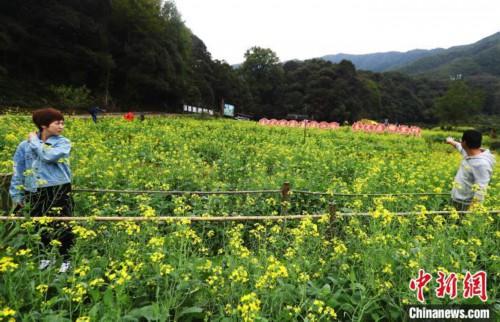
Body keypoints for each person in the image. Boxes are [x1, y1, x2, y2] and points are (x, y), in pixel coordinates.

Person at [9, 108, 74, 272]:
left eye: (62, 123)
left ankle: (65, 259)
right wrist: (16, 194)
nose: (61, 126)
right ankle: (46, 258)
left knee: (62, 223)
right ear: (44, 125)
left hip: (58, 188)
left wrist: (35, 142)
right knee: (39, 224)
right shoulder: (24, 146)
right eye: (57, 123)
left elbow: (48, 156)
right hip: (34, 189)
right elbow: (18, 169)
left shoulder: (63, 142)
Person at [446, 130, 496, 210]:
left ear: (464, 142)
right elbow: (458, 146)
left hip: (465, 204)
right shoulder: (468, 152)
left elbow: (481, 190)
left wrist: (471, 213)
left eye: (461, 140)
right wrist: (450, 141)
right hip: (457, 199)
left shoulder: (481, 164)